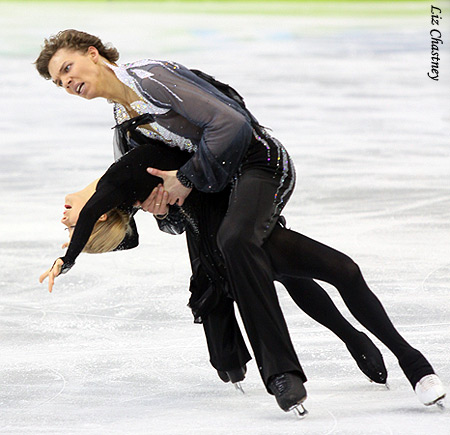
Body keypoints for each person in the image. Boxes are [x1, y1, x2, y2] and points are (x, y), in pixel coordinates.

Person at [35, 30, 445, 411]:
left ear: (93, 54)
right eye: (57, 82)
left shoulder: (150, 77)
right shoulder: (125, 129)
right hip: (223, 193)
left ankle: (282, 374)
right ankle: (399, 357)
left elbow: (233, 125)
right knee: (293, 263)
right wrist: (164, 209)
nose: (66, 82)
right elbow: (171, 217)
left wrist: (187, 178)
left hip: (259, 163)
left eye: (67, 69)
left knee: (236, 243)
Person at [39, 131, 389, 409]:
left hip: (237, 189)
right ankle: (241, 361)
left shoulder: (123, 147)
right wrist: (160, 214)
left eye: (68, 225)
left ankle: (350, 337)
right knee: (243, 276)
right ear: (99, 216)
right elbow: (150, 227)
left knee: (281, 270)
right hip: (205, 211)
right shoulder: (116, 198)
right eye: (69, 226)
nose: (63, 218)